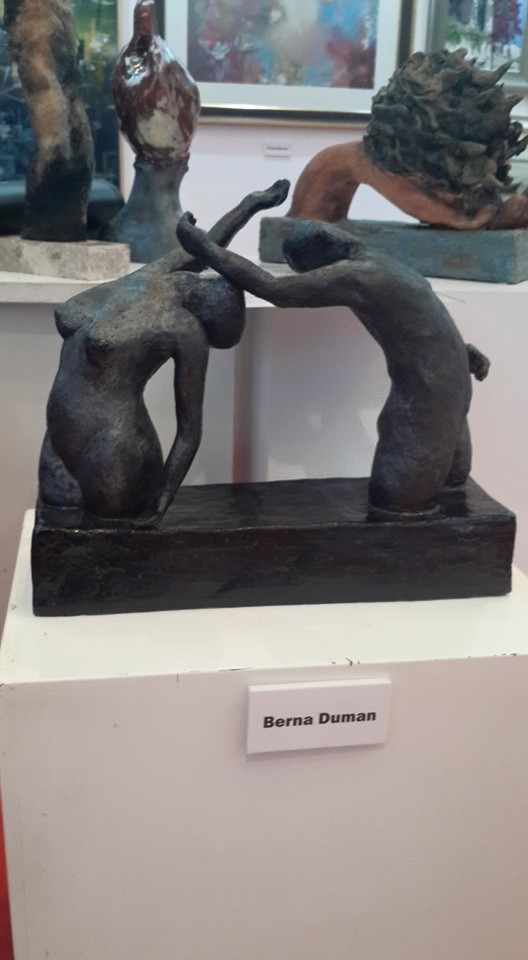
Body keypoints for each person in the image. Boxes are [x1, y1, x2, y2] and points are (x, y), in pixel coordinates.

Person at [177, 214, 487, 514]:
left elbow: (275, 289)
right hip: (444, 391)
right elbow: (415, 323)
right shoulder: (369, 269)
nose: (323, 230)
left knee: (400, 502)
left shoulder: (365, 271)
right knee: (444, 491)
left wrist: (205, 248)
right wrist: (459, 353)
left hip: (435, 395)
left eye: (317, 228)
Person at [38, 179, 290, 526]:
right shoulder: (153, 278)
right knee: (58, 536)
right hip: (58, 437)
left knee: (105, 545)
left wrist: (162, 499)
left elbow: (189, 432)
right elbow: (203, 245)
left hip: (113, 449)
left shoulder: (183, 329)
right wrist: (250, 205)